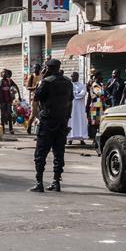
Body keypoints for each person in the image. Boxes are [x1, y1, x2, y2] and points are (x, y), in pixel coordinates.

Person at [29, 59, 73, 192]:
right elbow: (70, 101)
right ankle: (56, 181)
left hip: (48, 121)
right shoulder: (68, 82)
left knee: (40, 153)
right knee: (59, 153)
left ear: (48, 68)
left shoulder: (46, 82)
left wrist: (42, 78)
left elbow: (36, 97)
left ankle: (39, 183)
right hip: (62, 121)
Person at [0, 69, 19, 134]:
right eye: (3, 72)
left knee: (9, 115)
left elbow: (16, 86)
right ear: (1, 74)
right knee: (2, 115)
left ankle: (11, 129)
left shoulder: (9, 81)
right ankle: (3, 129)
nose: (4, 74)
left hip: (8, 100)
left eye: (5, 72)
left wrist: (19, 96)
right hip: (2, 100)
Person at [67, 71, 87, 144]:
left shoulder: (82, 85)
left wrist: (74, 95)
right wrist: (76, 93)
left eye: (73, 76)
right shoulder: (69, 85)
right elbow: (68, 94)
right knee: (71, 121)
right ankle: (70, 139)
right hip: (71, 107)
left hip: (80, 107)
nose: (72, 77)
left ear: (77, 77)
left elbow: (83, 93)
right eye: (71, 76)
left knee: (80, 121)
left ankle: (81, 139)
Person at [86, 70, 106, 141]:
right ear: (98, 76)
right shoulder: (95, 85)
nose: (102, 77)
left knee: (99, 122)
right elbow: (100, 93)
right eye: (101, 76)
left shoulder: (99, 84)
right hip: (96, 105)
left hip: (99, 104)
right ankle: (94, 139)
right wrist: (103, 88)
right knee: (95, 123)